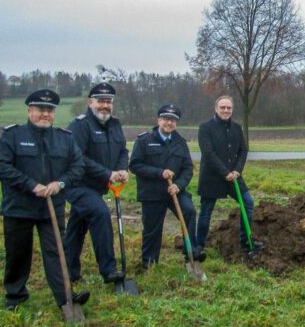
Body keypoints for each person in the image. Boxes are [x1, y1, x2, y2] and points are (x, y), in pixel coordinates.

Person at [0, 89, 90, 311]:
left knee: (57, 251)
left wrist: (60, 184)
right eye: (40, 110)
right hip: (19, 207)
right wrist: (30, 185)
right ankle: (15, 296)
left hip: (51, 208)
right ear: (30, 111)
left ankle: (66, 297)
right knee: (18, 252)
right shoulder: (12, 136)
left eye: (50, 110)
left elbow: (77, 166)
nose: (45, 114)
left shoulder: (65, 139)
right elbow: (1, 167)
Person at [64, 82, 127, 285]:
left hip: (97, 186)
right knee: (100, 214)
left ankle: (68, 270)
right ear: (90, 102)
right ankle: (108, 269)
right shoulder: (80, 126)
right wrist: (108, 173)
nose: (105, 106)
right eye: (100, 101)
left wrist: (122, 169)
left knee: (76, 227)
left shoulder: (115, 124)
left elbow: (122, 151)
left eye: (108, 102)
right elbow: (78, 158)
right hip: (78, 185)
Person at [129, 104, 205, 268]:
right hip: (152, 193)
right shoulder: (145, 140)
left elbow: (187, 169)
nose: (169, 123)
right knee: (152, 229)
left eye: (173, 120)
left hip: (175, 191)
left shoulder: (180, 142)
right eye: (166, 119)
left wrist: (178, 185)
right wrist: (159, 173)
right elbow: (135, 165)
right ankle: (149, 263)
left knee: (189, 212)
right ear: (159, 120)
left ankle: (191, 252)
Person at [196, 96, 262, 254]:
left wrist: (237, 170)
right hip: (212, 176)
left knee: (248, 202)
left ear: (232, 110)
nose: (226, 110)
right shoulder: (205, 128)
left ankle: (245, 239)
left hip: (234, 176)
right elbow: (208, 153)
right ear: (216, 109)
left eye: (229, 108)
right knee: (206, 211)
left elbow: (243, 150)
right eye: (222, 107)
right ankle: (199, 246)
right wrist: (225, 172)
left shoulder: (237, 128)